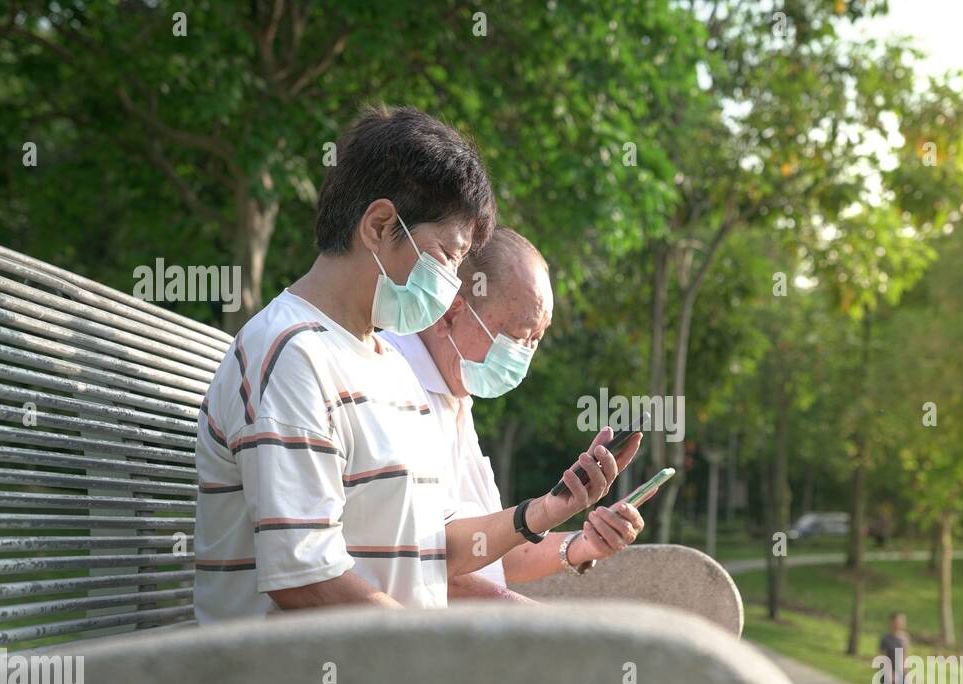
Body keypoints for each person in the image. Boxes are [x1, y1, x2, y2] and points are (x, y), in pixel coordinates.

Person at [194, 105, 640, 623]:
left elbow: (437, 548)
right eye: (447, 256)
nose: (453, 283)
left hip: (388, 668)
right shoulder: (291, 354)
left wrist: (545, 512)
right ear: (380, 225)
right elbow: (307, 581)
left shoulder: (387, 363)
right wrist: (434, 645)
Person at [381, 228, 647, 601]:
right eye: (519, 335)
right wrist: (534, 623)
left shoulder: (455, 395)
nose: (524, 354)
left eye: (536, 339)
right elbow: (425, 562)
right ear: (451, 312)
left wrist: (583, 542)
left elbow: (492, 553)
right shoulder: (387, 384)